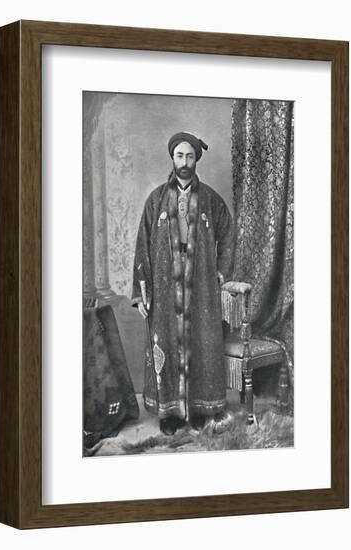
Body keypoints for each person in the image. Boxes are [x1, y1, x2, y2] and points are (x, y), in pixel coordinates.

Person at [132, 131, 234, 435]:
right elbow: (142, 246)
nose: (185, 162)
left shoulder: (211, 200)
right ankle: (171, 413)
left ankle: (201, 408)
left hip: (201, 290)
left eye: (190, 156)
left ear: (196, 159)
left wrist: (220, 273)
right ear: (172, 158)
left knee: (202, 345)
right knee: (167, 345)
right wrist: (141, 292)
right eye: (180, 156)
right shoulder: (156, 201)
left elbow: (227, 235)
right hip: (164, 292)